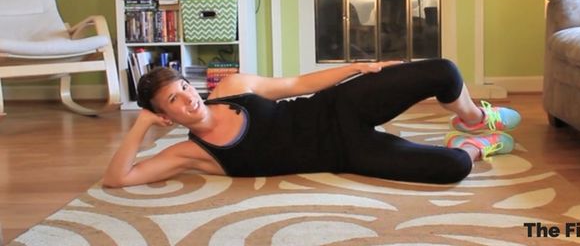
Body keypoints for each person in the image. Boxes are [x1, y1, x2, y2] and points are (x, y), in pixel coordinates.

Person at [102, 58, 521, 188]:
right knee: (455, 168)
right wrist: (140, 125)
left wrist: (358, 67)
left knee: (445, 72)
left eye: (183, 88)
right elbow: (118, 179)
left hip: (338, 106)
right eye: (172, 101)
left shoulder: (233, 85)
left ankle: (474, 119)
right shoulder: (192, 154)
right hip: (346, 153)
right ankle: (474, 146)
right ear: (165, 115)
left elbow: (297, 83)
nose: (187, 99)